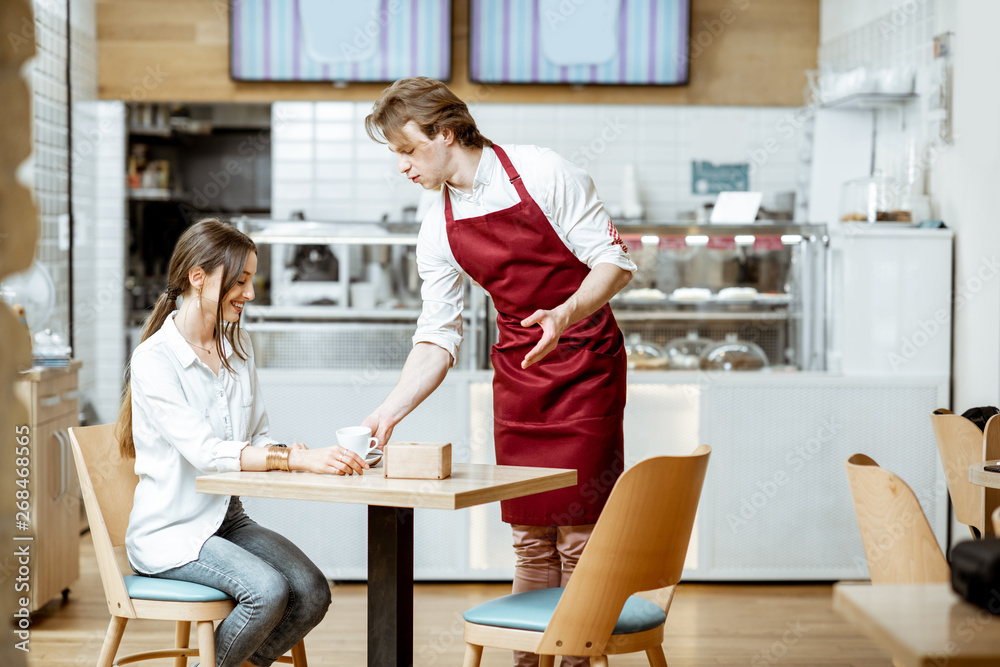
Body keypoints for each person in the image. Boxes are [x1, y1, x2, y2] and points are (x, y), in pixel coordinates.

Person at [362, 78, 635, 667]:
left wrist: (564, 314)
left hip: (587, 361)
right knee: (531, 536)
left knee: (579, 537)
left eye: (407, 150)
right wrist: (389, 410)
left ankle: (577, 658)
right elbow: (438, 335)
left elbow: (615, 260)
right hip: (518, 375)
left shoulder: (543, 171)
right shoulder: (436, 222)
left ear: (445, 132)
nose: (402, 167)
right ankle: (528, 660)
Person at [115, 219, 370, 667]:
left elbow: (256, 435)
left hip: (226, 518)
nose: (250, 293)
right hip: (171, 532)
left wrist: (291, 452)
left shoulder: (239, 345)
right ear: (199, 277)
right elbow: (206, 452)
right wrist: (293, 460)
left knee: (311, 591)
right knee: (267, 591)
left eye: (251, 279)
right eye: (240, 280)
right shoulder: (155, 360)